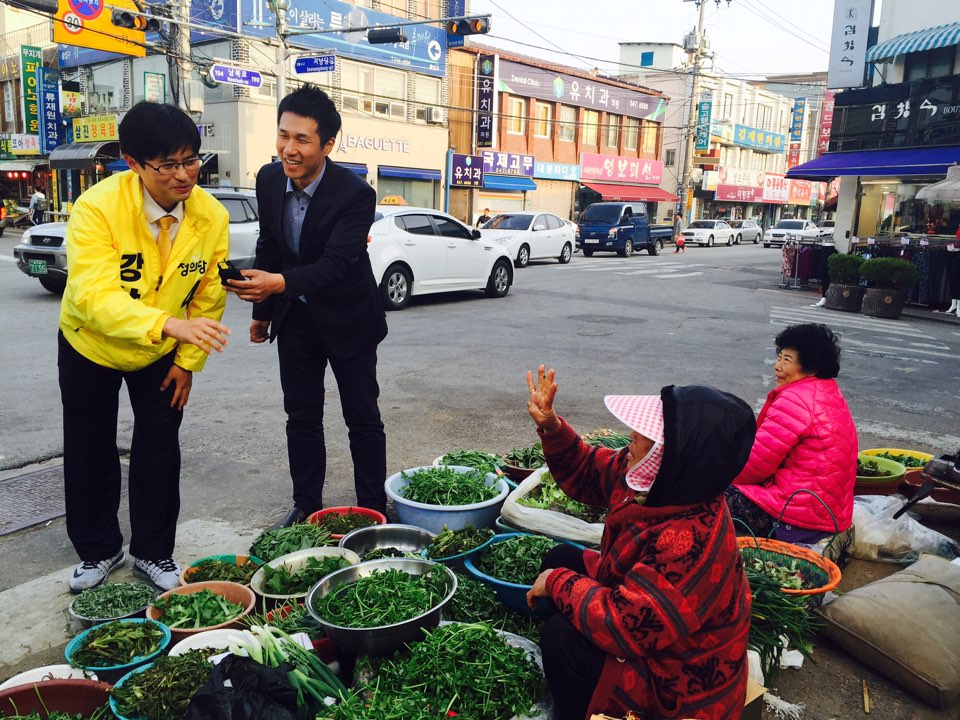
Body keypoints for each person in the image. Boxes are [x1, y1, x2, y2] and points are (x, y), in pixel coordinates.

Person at [59, 101, 231, 593]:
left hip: (162, 353)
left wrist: (188, 362)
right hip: (89, 344)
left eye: (192, 160)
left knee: (159, 448)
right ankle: (98, 549)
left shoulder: (210, 214)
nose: (184, 175)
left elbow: (209, 294)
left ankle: (153, 552)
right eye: (169, 165)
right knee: (89, 447)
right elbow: (93, 297)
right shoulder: (97, 207)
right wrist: (168, 326)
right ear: (133, 164)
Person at [524, 365, 756, 720]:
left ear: (676, 457)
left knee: (562, 640)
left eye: (644, 435)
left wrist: (556, 583)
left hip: (679, 685)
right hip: (644, 620)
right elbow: (589, 470)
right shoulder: (665, 482)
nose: (630, 437)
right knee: (560, 557)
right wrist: (552, 427)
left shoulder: (691, 541)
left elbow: (625, 626)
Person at [224, 85, 388, 526]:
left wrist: (278, 284)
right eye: (283, 135)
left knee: (362, 417)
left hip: (349, 318)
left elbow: (337, 264)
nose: (288, 149)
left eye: (301, 140)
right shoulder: (269, 178)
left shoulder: (355, 194)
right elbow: (269, 243)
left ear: (327, 144)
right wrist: (261, 312)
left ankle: (374, 507)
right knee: (300, 415)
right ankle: (307, 505)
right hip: (295, 317)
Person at [725, 323, 858, 562]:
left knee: (708, 493)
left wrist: (720, 475)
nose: (777, 366)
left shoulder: (796, 400)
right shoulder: (828, 392)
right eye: (779, 357)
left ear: (810, 365)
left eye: (787, 360)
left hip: (798, 517)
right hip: (829, 513)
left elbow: (754, 467)